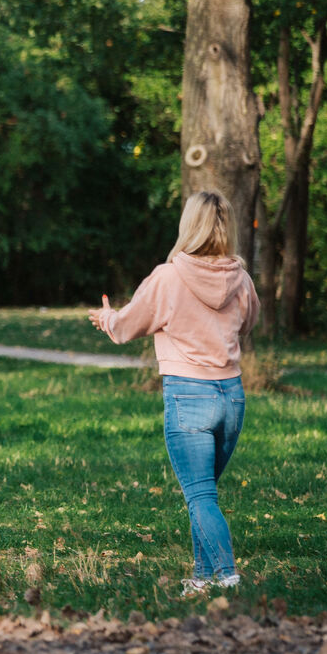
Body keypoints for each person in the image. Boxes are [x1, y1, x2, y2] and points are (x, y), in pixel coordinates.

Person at [91, 190, 261, 597]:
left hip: (189, 397)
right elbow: (248, 324)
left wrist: (107, 318)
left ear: (189, 225)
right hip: (232, 397)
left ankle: (228, 577)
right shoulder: (241, 277)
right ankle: (203, 580)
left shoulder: (168, 276)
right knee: (204, 494)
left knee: (200, 495)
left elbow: (128, 325)